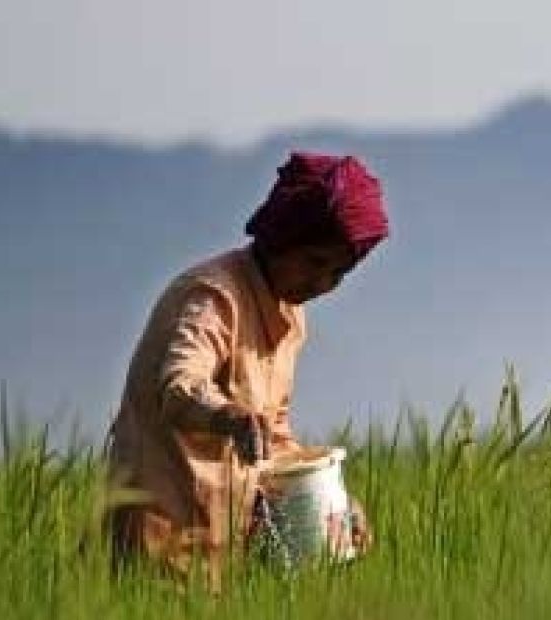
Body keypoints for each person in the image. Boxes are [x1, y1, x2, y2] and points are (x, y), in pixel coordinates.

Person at [106, 151, 390, 588]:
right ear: (282, 236)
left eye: (339, 274)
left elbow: (271, 433)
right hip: (158, 545)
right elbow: (180, 386)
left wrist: (334, 504)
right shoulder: (213, 298)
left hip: (225, 551)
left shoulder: (288, 318)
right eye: (315, 262)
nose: (322, 284)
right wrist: (229, 417)